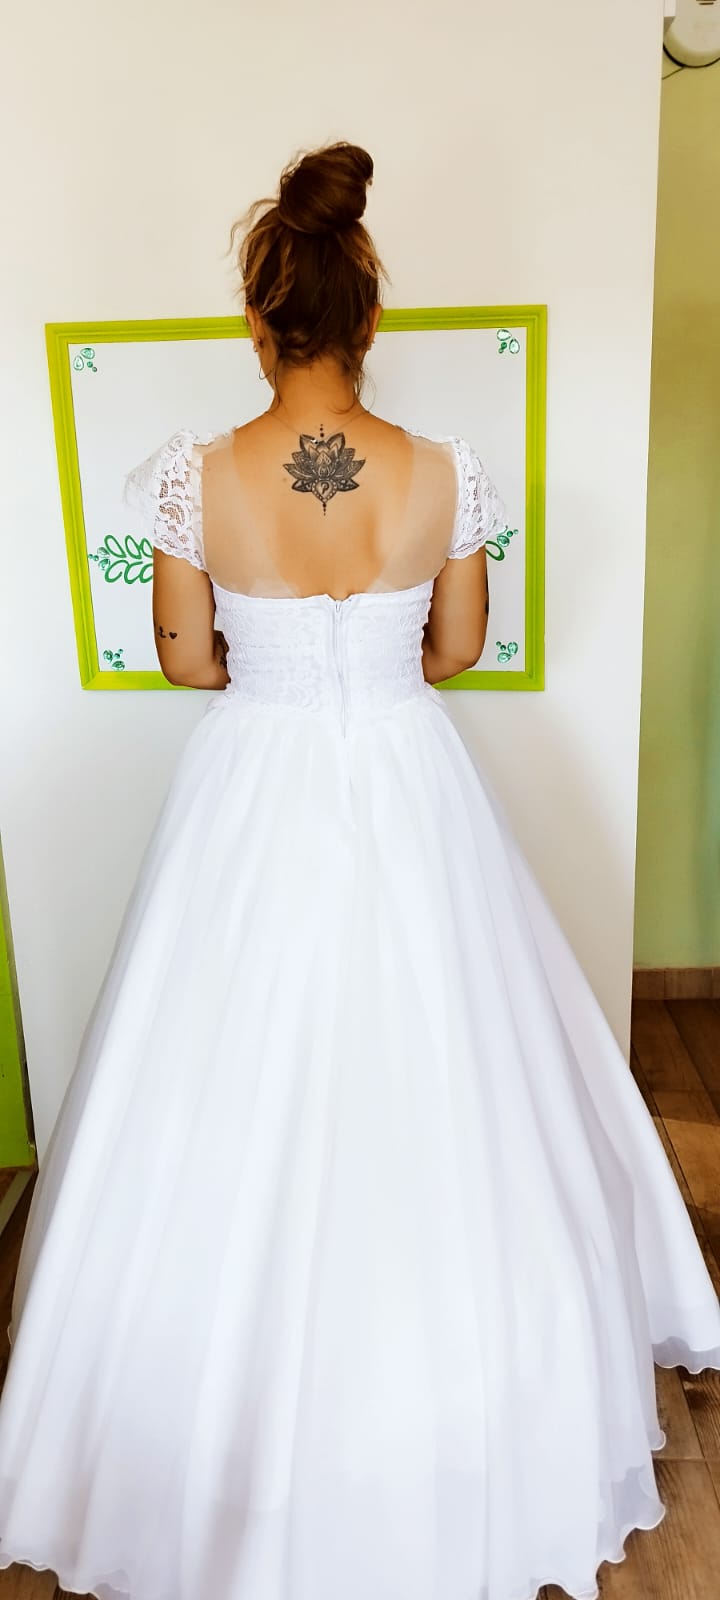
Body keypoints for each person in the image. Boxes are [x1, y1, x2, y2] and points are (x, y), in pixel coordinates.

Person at [0, 139, 719, 1600]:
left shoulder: (190, 478)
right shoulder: (448, 470)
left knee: (217, 1078)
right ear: (371, 317)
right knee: (449, 1065)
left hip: (249, 784)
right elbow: (456, 649)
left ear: (257, 320)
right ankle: (456, 1420)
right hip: (410, 776)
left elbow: (184, 659)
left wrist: (268, 662)